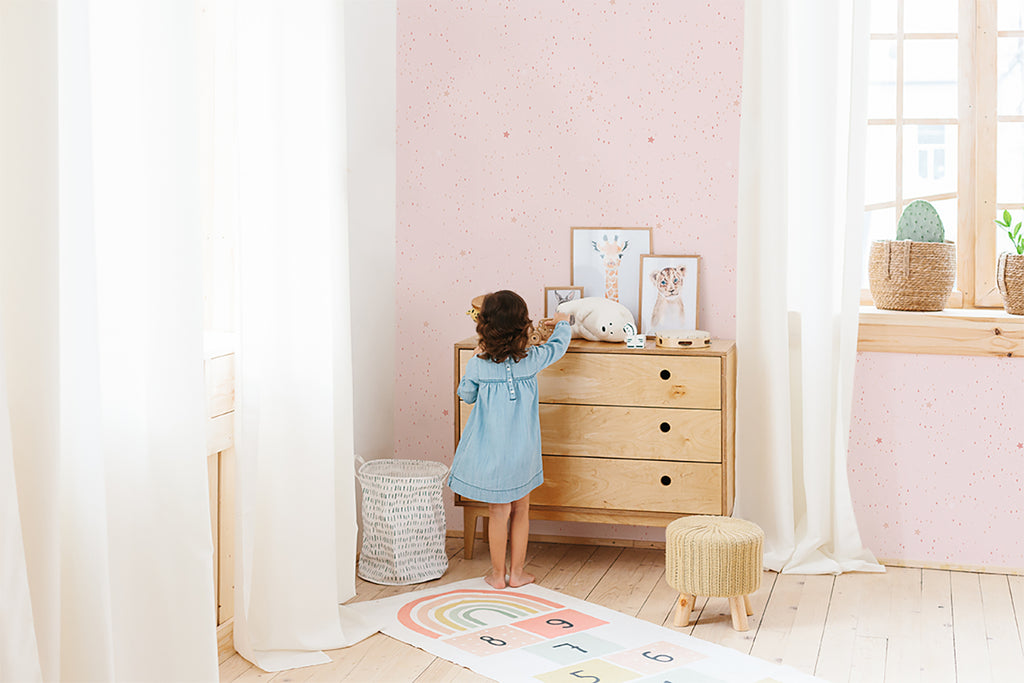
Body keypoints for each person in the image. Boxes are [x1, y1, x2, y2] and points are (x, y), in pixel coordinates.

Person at [449, 290, 572, 589]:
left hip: (492, 455)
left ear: (485, 327)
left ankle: (496, 575)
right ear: (523, 325)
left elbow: (466, 395)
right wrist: (563, 322)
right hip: (524, 452)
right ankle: (517, 573)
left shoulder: (478, 364)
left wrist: (472, 373)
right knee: (522, 511)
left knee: (498, 512)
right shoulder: (531, 360)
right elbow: (558, 347)